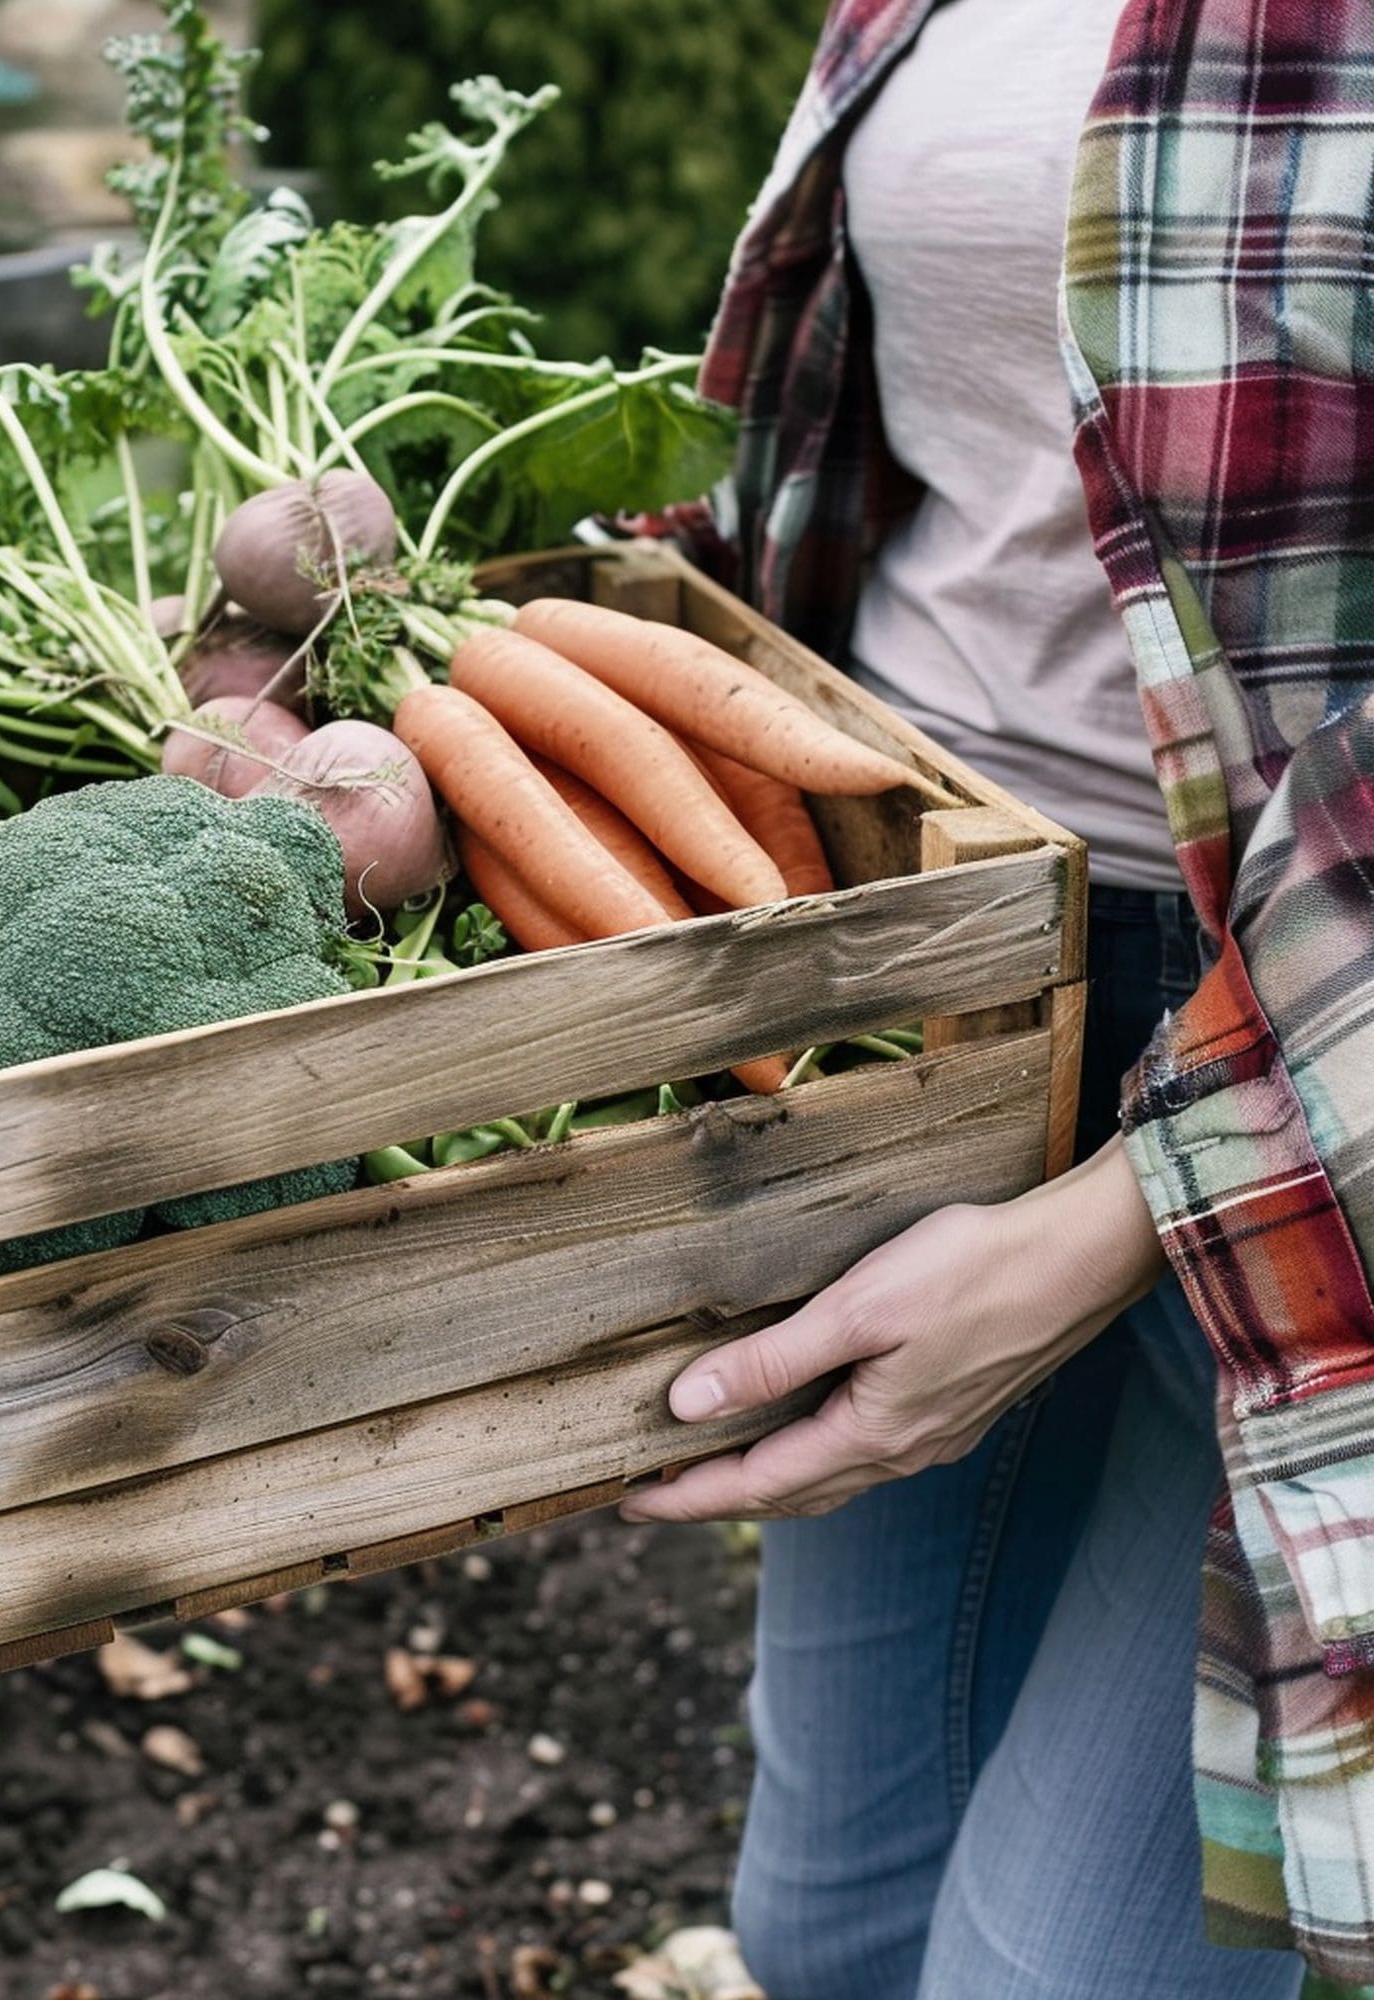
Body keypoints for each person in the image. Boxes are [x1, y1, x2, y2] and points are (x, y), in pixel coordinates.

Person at [619, 3, 1374, 1995]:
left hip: (1313, 1071)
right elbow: (897, 470)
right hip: (929, 996)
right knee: (827, 1920)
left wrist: (1124, 1209)